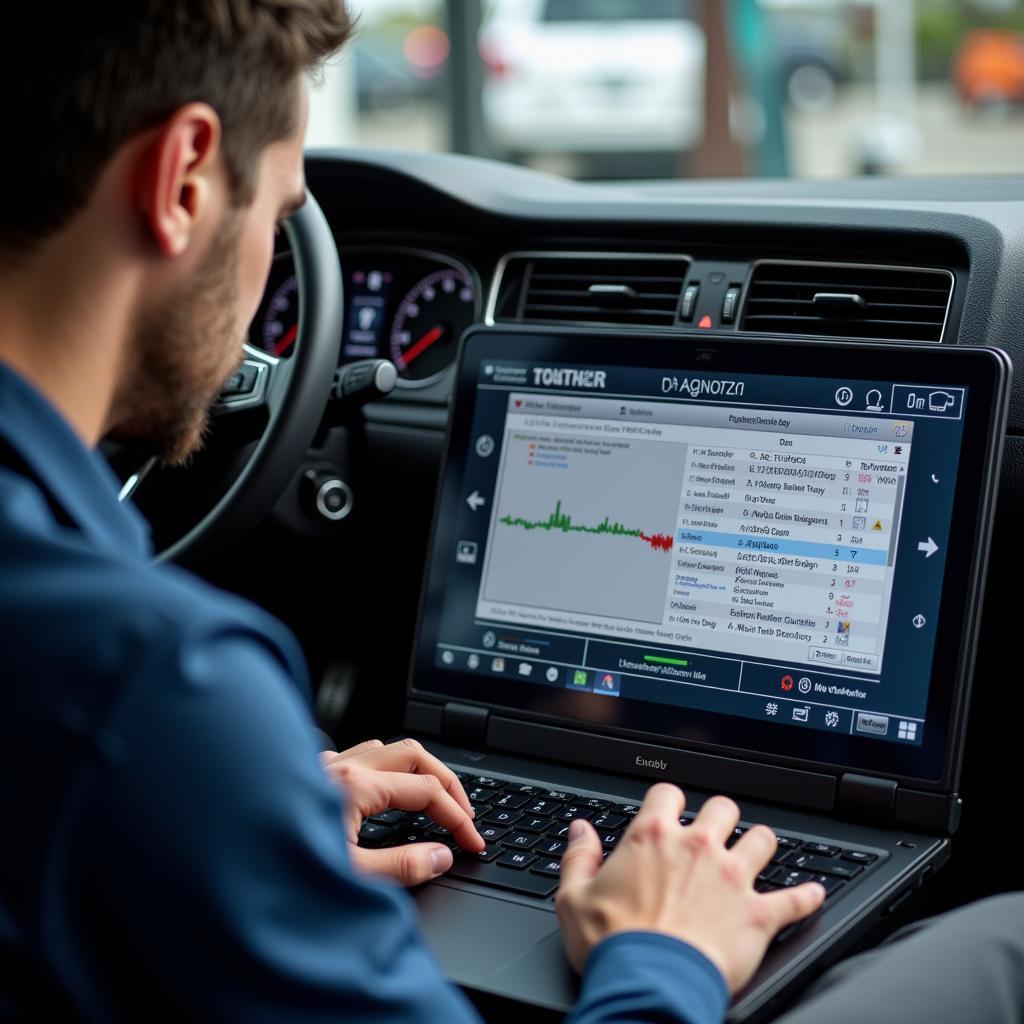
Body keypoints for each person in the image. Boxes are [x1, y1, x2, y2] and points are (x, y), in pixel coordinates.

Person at [1, 3, 1022, 1022]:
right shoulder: (151, 688)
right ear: (182, 179)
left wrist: (237, 814)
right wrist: (660, 956)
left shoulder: (128, 701)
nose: (272, 257)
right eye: (277, 213)